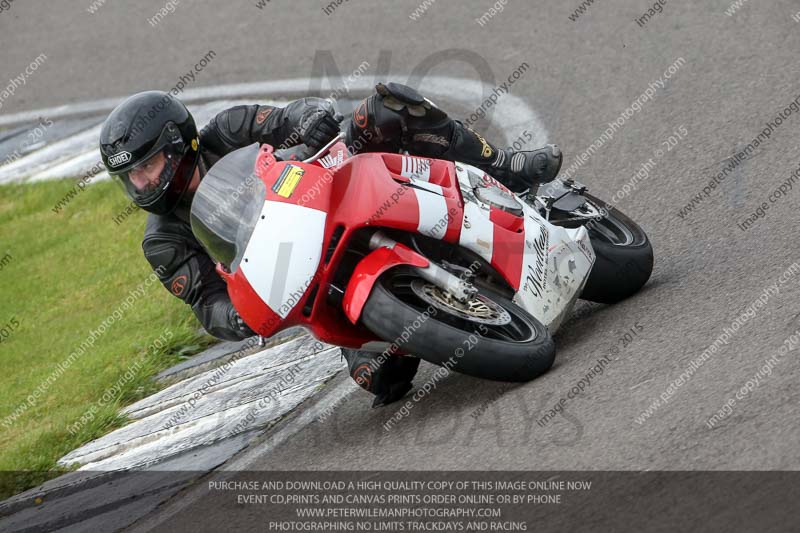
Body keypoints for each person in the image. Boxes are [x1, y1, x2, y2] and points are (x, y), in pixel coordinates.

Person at [98, 82, 562, 406]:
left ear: (179, 144)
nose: (141, 184)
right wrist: (236, 317)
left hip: (337, 194)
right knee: (379, 379)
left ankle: (503, 165)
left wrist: (313, 122)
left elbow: (293, 116)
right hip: (314, 276)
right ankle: (424, 314)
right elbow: (207, 304)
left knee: (386, 107)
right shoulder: (164, 241)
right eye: (130, 177)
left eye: (148, 166)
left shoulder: (230, 128)